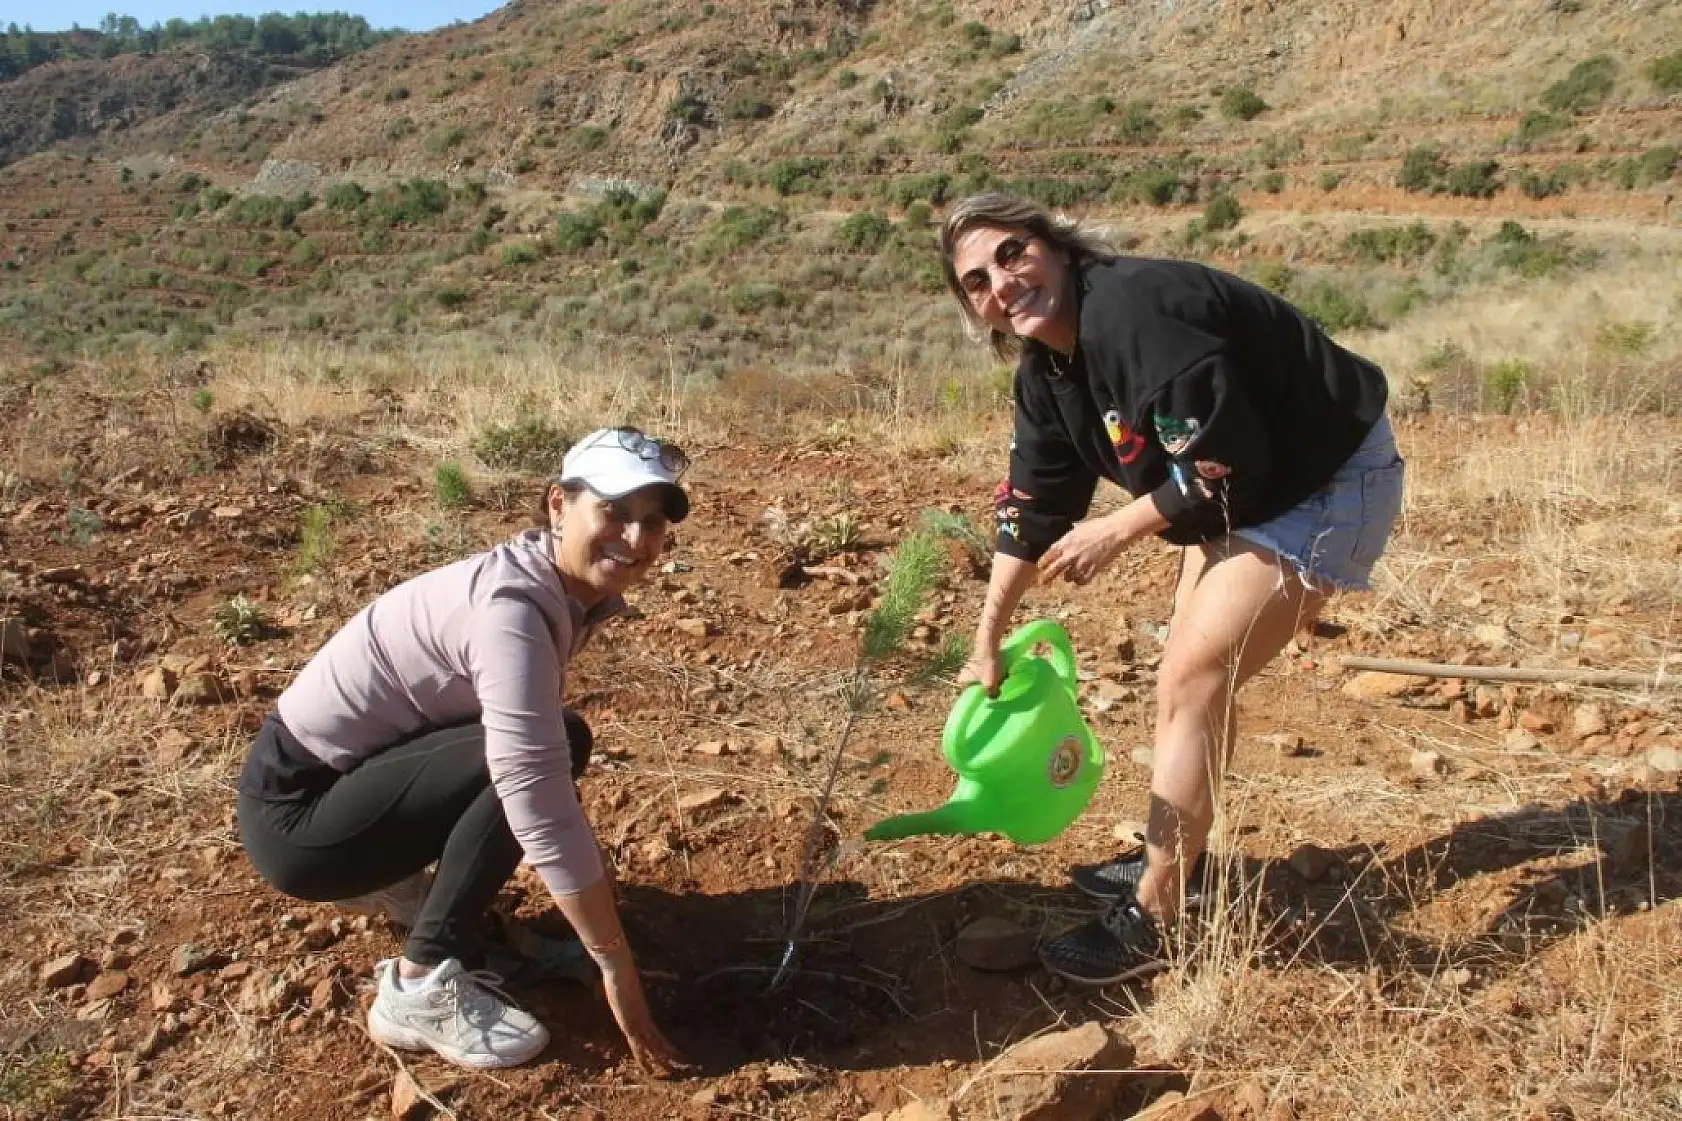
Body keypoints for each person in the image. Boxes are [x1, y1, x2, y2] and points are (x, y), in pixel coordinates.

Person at [940, 193, 1404, 985]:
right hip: (1245, 492)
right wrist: (986, 635)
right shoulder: (1049, 367)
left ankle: (1154, 918)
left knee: (1192, 675)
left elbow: (1228, 457)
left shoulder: (1131, 315)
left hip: (1322, 479)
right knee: (1187, 684)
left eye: (1011, 254)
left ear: (1054, 245)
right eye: (977, 280)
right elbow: (1032, 507)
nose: (1003, 283)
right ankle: (1172, 859)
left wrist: (1118, 529)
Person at [236, 426, 694, 1072]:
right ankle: (418, 985)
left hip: (332, 781)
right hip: (298, 821)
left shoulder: (546, 582)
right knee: (545, 748)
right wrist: (613, 959)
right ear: (558, 505)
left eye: (651, 522)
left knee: (551, 737)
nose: (636, 538)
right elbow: (530, 787)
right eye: (614, 512)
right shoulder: (511, 609)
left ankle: (404, 885)